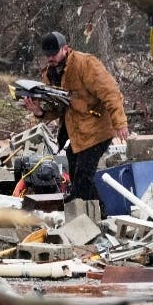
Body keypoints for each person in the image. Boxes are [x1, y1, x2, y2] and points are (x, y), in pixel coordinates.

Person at [22, 31, 129, 202]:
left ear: (65, 48)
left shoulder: (85, 63)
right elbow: (58, 108)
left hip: (99, 129)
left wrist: (120, 123)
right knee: (76, 177)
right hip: (78, 134)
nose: (50, 58)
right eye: (47, 55)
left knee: (83, 176)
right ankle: (82, 209)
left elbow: (111, 93)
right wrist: (39, 112)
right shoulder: (49, 74)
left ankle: (98, 216)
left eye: (54, 53)